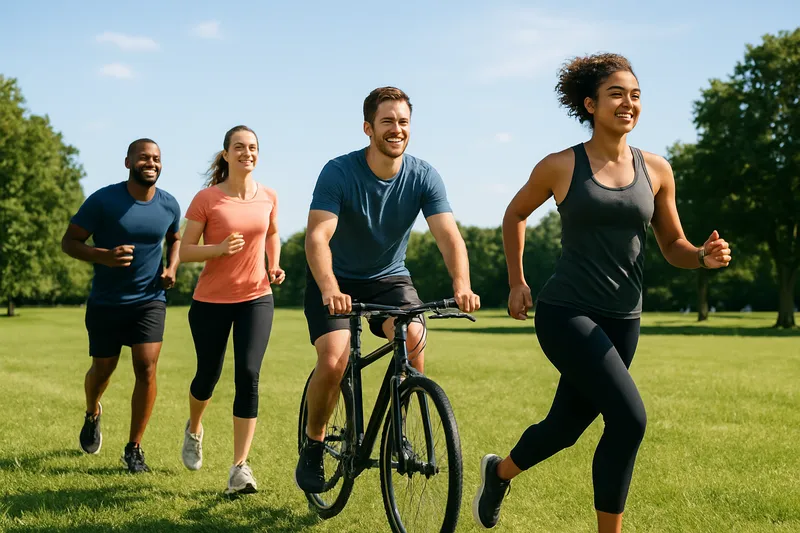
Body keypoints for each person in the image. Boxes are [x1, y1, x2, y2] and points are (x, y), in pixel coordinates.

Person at [472, 53, 732, 532]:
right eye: (616, 94)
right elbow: (514, 215)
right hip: (566, 311)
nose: (628, 103)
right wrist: (516, 280)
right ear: (590, 104)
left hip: (623, 318)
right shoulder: (560, 165)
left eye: (635, 95)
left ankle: (499, 472)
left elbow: (672, 244)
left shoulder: (656, 169)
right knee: (630, 420)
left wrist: (700, 256)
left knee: (566, 427)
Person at [295, 86, 481, 493]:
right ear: (368, 128)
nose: (396, 129)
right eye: (387, 122)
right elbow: (317, 237)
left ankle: (401, 428)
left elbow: (449, 236)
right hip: (335, 276)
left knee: (415, 336)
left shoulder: (423, 175)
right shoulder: (338, 172)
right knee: (334, 359)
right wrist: (329, 287)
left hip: (389, 277)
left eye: (403, 122)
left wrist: (462, 284)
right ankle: (313, 444)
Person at [61, 138, 181, 473]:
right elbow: (69, 242)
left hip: (149, 300)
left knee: (146, 368)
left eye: (157, 158)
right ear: (128, 162)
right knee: (103, 370)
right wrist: (105, 257)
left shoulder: (170, 204)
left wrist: (171, 268)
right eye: (144, 157)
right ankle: (92, 411)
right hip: (107, 302)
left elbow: (176, 240)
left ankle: (134, 448)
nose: (151, 163)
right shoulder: (103, 201)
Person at [179, 125, 284, 495]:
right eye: (239, 147)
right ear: (226, 154)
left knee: (249, 375)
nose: (247, 152)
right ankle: (194, 428)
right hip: (210, 302)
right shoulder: (207, 198)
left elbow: (272, 232)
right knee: (207, 375)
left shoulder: (268, 195)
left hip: (256, 297)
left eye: (252, 147)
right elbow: (184, 252)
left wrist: (274, 263)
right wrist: (219, 249)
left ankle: (239, 468)